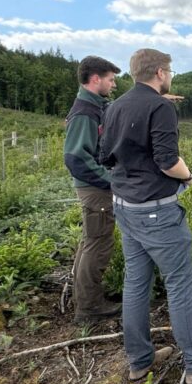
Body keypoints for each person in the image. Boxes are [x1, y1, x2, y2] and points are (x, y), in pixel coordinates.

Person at [99, 48, 192, 384]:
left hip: (124, 205)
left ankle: (139, 361)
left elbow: (105, 155)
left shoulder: (116, 106)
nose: (171, 76)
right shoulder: (161, 107)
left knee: (136, 282)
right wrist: (187, 175)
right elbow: (167, 160)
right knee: (179, 285)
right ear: (160, 73)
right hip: (156, 211)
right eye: (170, 71)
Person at [64, 55, 122, 323]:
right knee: (99, 243)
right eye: (110, 80)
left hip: (94, 186)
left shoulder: (94, 106)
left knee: (91, 241)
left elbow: (114, 108)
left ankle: (85, 299)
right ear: (95, 79)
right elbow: (76, 157)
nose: (113, 85)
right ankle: (89, 308)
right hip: (95, 189)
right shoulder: (85, 113)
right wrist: (110, 181)